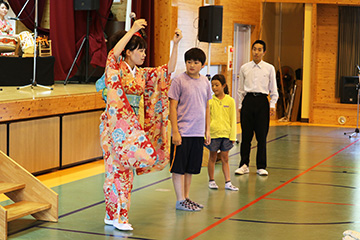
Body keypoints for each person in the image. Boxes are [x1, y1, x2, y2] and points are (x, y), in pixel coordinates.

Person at [100, 18, 182, 231]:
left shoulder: (142, 74)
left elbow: (167, 71)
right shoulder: (117, 68)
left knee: (122, 170)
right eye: (140, 51)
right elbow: (113, 55)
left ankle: (113, 215)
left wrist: (175, 45)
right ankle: (119, 217)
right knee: (116, 171)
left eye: (145, 51)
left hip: (131, 127)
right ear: (128, 52)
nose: (144, 55)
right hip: (115, 127)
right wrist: (133, 30)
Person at [168, 47, 212, 211]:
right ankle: (180, 200)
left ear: (202, 65)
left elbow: (207, 107)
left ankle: (186, 197)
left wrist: (207, 130)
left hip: (197, 132)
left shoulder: (205, 82)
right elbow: (173, 107)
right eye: (189, 62)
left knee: (190, 169)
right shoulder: (178, 81)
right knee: (179, 168)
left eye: (196, 62)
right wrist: (175, 131)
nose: (192, 65)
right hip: (183, 132)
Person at [235, 40, 278, 176]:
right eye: (254, 49)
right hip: (248, 101)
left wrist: (272, 104)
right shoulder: (244, 68)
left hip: (262, 102)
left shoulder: (269, 68)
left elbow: (273, 89)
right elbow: (240, 89)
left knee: (261, 136)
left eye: (259, 50)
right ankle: (244, 164)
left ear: (264, 52)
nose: (256, 52)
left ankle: (261, 166)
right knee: (246, 136)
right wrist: (241, 105)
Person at [206, 74, 238, 191]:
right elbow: (207, 118)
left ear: (223, 85)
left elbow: (232, 119)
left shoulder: (230, 101)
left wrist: (232, 135)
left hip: (226, 134)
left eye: (217, 85)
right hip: (213, 134)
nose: (214, 88)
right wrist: (207, 134)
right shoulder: (209, 101)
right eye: (212, 85)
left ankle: (228, 182)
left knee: (225, 158)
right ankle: (211, 180)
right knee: (212, 157)